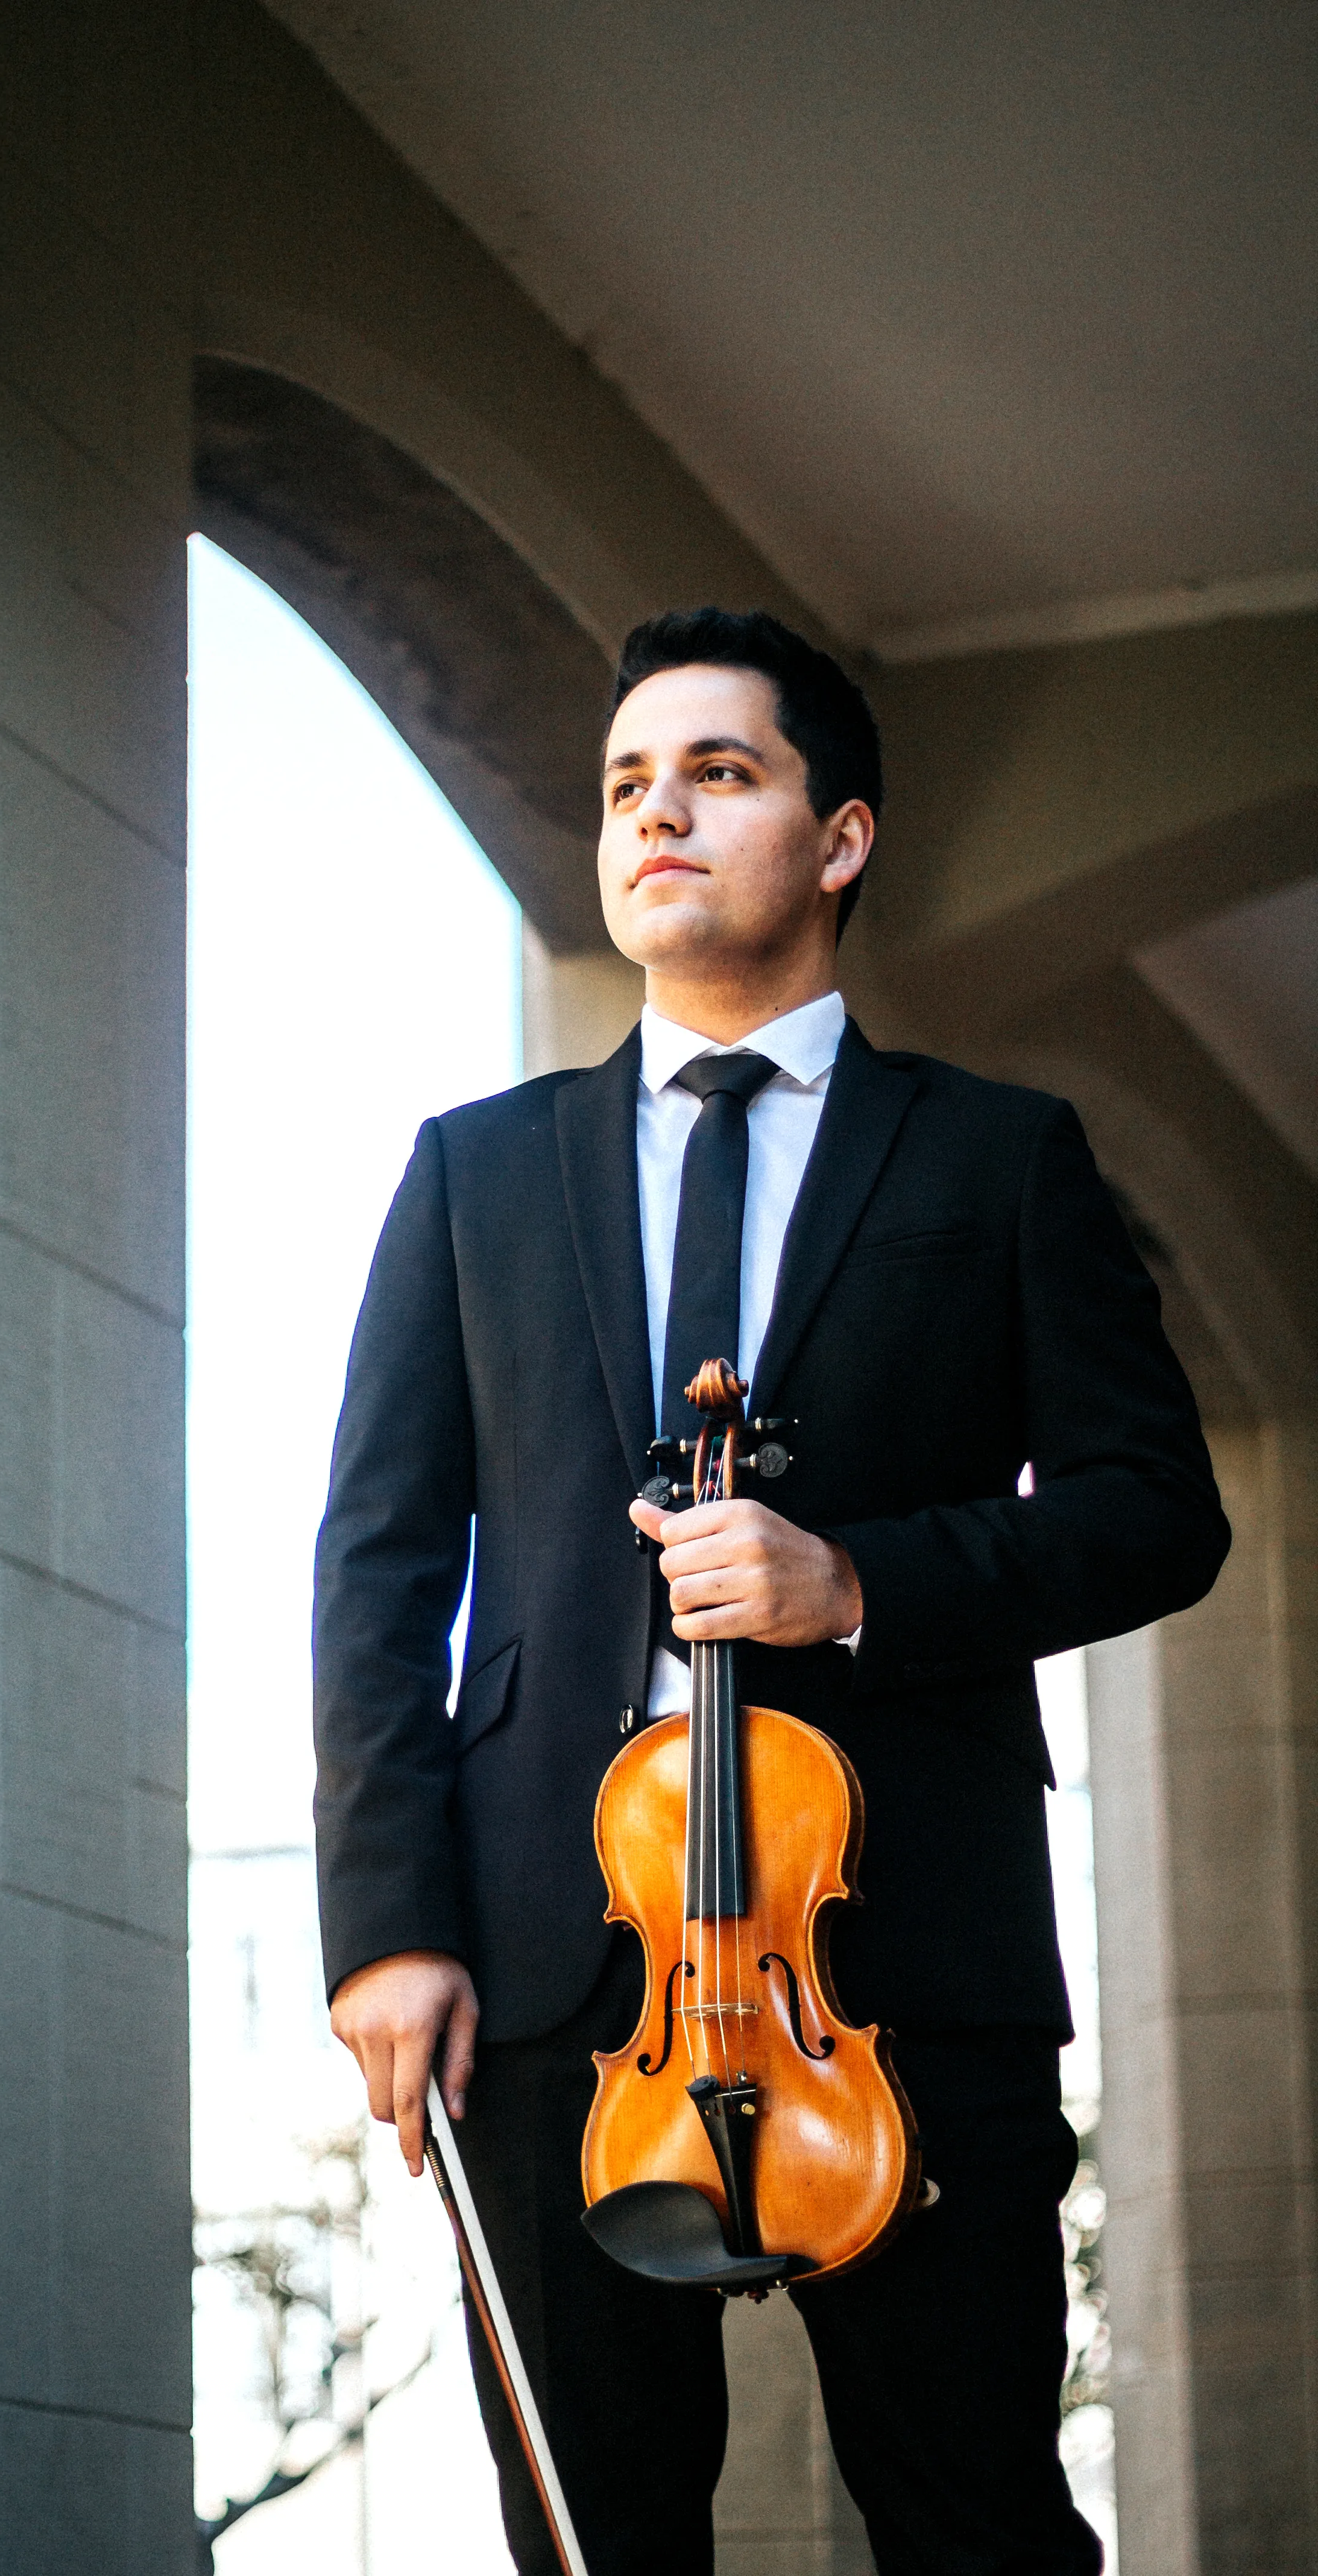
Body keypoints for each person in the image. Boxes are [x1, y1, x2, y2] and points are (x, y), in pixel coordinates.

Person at [311, 608, 1229, 2575]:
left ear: (841, 838)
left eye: (718, 774)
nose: (655, 816)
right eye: (628, 786)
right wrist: (388, 1924)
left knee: (974, 2515)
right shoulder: (474, 1172)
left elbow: (1160, 1511)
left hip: (901, 1964)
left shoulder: (1001, 1157)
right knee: (596, 2538)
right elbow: (381, 1563)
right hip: (561, 1967)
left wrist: (858, 1584)